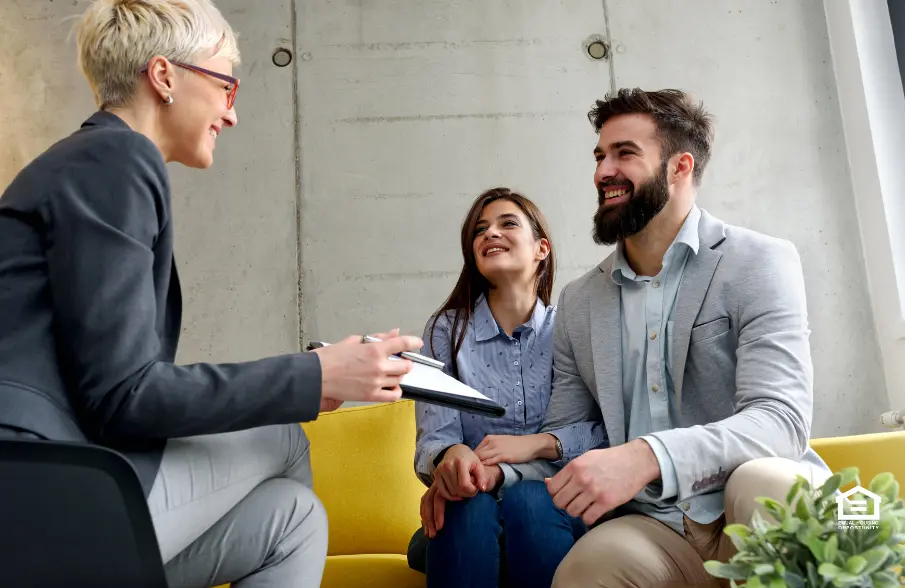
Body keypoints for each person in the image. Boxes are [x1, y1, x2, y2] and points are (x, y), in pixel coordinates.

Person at [0, 1, 423, 586]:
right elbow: (123, 398)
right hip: (36, 492)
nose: (233, 113)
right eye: (226, 84)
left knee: (293, 519)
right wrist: (315, 375)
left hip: (51, 483)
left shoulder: (86, 165)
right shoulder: (114, 158)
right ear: (164, 75)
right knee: (283, 438)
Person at [503, 88, 832, 587]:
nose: (602, 172)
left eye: (624, 154)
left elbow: (781, 423)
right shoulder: (578, 302)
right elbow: (573, 438)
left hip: (764, 504)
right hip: (658, 528)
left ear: (680, 167)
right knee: (586, 568)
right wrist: (494, 470)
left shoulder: (761, 261)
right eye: (599, 156)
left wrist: (648, 455)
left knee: (762, 481)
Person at [407, 187, 606, 588]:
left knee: (530, 500)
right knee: (467, 508)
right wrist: (451, 456)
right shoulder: (446, 330)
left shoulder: (572, 327)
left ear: (541, 249)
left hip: (554, 512)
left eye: (507, 224)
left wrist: (536, 446)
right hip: (471, 516)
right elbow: (432, 442)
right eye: (480, 230)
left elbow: (604, 434)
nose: (490, 233)